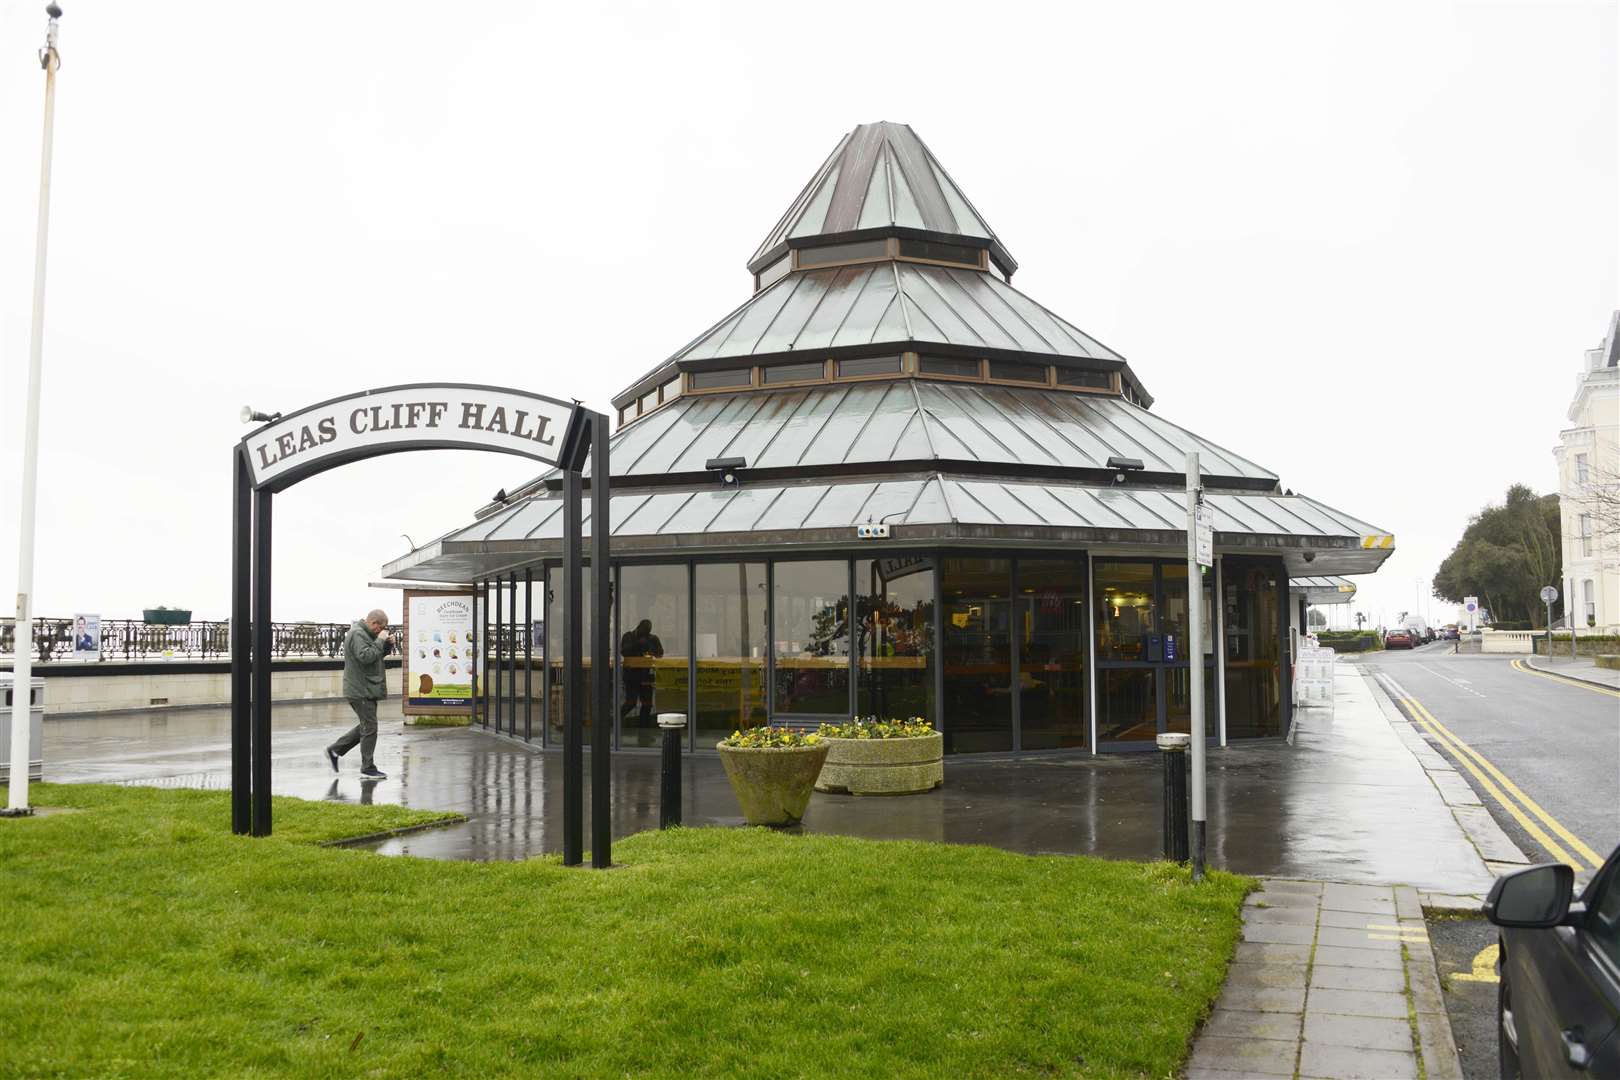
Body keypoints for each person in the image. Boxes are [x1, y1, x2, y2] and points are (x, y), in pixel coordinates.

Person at [326, 609, 392, 780]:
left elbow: (376, 655)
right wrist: (380, 640)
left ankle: (335, 750)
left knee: (366, 725)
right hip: (360, 689)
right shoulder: (357, 634)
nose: (381, 631)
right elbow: (366, 657)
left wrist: (387, 644)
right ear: (373, 623)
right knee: (370, 727)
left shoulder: (364, 633)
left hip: (365, 688)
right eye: (381, 628)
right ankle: (368, 768)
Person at [618, 618, 664, 727]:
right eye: (644, 630)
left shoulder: (652, 638)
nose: (646, 633)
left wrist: (650, 648)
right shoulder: (628, 636)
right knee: (631, 702)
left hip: (646, 675)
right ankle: (616, 721)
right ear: (639, 628)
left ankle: (644, 726)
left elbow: (660, 653)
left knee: (647, 704)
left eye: (648, 631)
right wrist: (638, 644)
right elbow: (624, 652)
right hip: (632, 675)